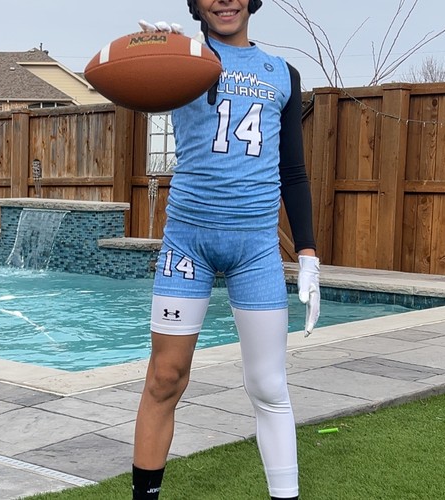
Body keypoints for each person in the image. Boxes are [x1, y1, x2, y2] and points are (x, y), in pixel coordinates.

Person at [132, 1, 320, 498]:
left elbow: (292, 170)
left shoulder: (282, 73)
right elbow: (137, 91)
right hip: (187, 242)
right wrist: (152, 49)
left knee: (269, 386)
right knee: (165, 378)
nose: (224, 1)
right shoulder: (182, 56)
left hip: (255, 249)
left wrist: (307, 252)